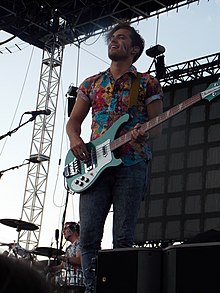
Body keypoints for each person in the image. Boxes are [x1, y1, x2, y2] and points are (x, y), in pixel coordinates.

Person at [66, 22, 163, 293]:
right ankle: (90, 289)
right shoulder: (92, 83)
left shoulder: (146, 82)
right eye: (113, 37)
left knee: (123, 237)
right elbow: (74, 122)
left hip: (132, 164)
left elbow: (157, 126)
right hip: (94, 165)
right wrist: (75, 140)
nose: (113, 41)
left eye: (121, 38)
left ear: (134, 49)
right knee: (88, 239)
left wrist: (145, 134)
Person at [49, 221, 84, 291]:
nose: (63, 231)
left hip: (79, 282)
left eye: (65, 228)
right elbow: (62, 266)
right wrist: (51, 269)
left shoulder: (80, 243)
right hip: (69, 282)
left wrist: (59, 257)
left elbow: (79, 261)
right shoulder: (68, 248)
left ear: (73, 229)